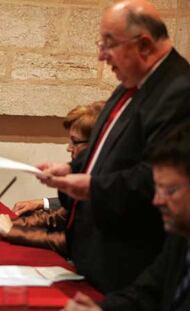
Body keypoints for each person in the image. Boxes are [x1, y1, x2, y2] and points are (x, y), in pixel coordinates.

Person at [36, 0, 190, 293]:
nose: (101, 56)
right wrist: (70, 168)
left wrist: (92, 186)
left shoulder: (179, 91)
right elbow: (103, 152)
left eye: (109, 44)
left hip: (130, 262)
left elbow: (157, 176)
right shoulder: (130, 84)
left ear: (144, 44)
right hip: (94, 254)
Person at [63, 121, 190, 311]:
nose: (157, 201)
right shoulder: (180, 239)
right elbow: (144, 294)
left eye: (169, 191)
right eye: (157, 189)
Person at [0, 102, 104, 257]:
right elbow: (60, 216)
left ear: (96, 144)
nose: (68, 148)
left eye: (74, 141)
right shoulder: (88, 170)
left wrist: (13, 232)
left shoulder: (104, 181)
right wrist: (12, 223)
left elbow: (76, 242)